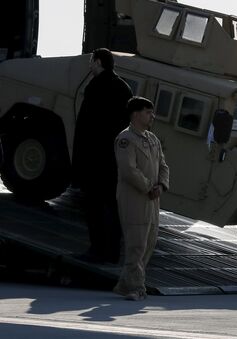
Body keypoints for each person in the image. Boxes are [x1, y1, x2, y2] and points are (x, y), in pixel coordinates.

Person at [72, 48, 133, 263]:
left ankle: (97, 250)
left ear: (98, 62)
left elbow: (85, 126)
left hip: (95, 158)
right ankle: (113, 252)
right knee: (113, 207)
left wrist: (77, 159)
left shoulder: (95, 86)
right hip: (115, 158)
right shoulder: (124, 88)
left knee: (93, 206)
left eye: (91, 61)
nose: (90, 65)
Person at [113, 97, 169, 301]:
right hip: (134, 199)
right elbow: (128, 170)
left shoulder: (152, 139)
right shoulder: (125, 139)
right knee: (136, 244)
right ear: (135, 114)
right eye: (147, 112)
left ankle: (126, 284)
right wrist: (148, 187)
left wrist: (161, 185)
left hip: (152, 199)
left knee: (149, 242)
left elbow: (163, 165)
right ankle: (136, 288)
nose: (152, 116)